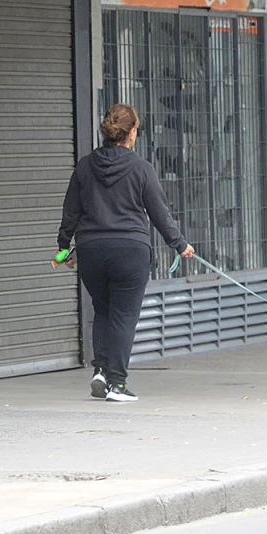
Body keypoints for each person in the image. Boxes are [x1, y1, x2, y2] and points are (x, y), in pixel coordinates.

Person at [55, 104, 194, 402]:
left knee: (103, 311)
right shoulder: (141, 168)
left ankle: (101, 372)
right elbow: (159, 212)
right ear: (131, 132)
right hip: (130, 251)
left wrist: (63, 248)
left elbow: (70, 212)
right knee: (124, 316)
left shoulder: (84, 166)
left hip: (91, 251)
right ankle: (117, 384)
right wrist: (179, 244)